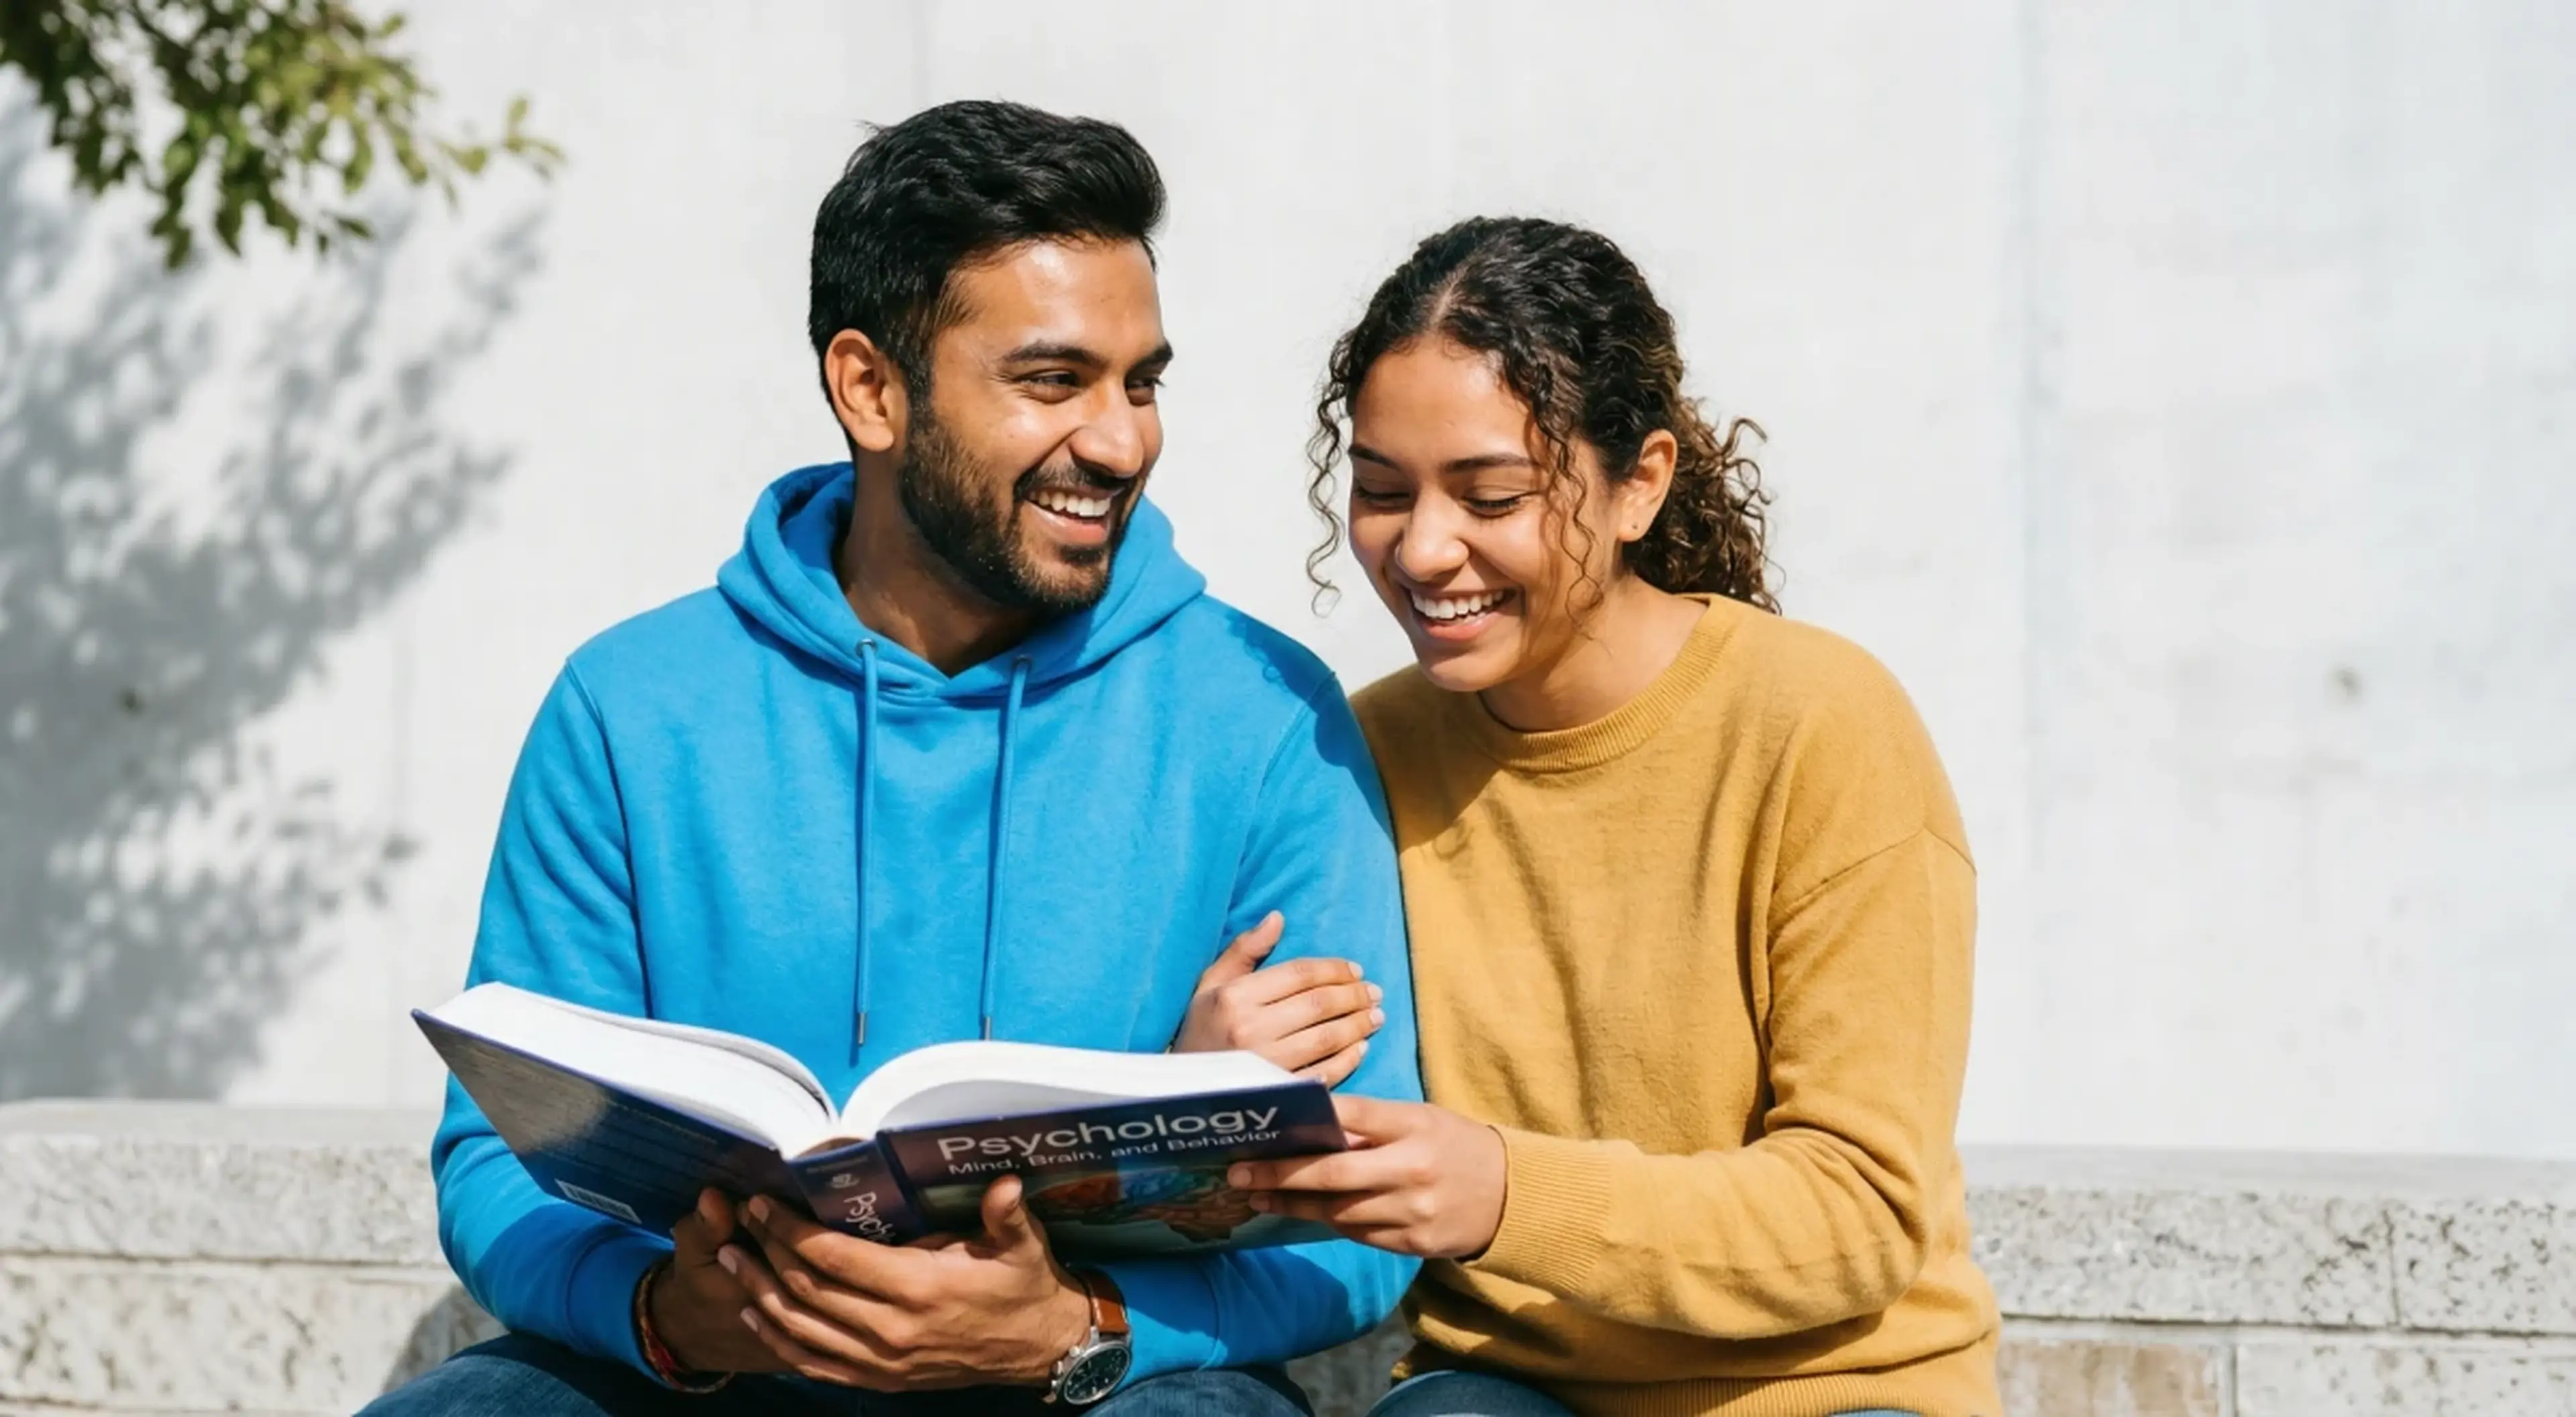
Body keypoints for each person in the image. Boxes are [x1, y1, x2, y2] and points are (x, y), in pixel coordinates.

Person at [363, 100, 1420, 1417]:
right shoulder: (631, 709)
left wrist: (1071, 1322)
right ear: (871, 388)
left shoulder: (1264, 718)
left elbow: (1365, 1225)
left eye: (1141, 381)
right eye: (1053, 381)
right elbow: (498, 1158)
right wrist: (668, 1316)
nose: (1122, 440)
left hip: (1087, 1386)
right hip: (725, 1378)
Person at [1213, 217, 2000, 1416]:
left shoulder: (1822, 726)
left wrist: (1507, 1193)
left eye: (1492, 494)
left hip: (1839, 1392)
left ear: (1639, 482)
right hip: (1506, 1393)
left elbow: (1863, 1212)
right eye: (1380, 491)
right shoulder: (1353, 751)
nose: (1425, 548)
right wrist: (1206, 1080)